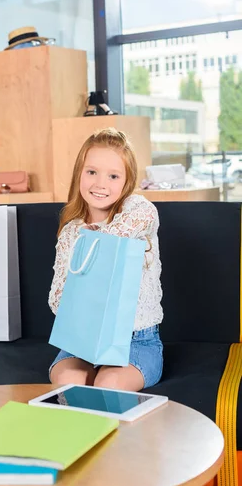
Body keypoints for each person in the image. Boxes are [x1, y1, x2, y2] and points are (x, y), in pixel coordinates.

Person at [48, 128, 163, 391]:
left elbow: (114, 238)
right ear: (79, 173)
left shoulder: (140, 211)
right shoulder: (71, 232)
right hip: (82, 342)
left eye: (113, 176)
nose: (100, 183)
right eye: (92, 172)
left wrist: (91, 240)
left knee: (107, 384)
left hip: (138, 341)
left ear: (126, 182)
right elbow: (56, 302)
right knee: (69, 381)